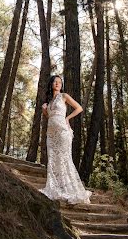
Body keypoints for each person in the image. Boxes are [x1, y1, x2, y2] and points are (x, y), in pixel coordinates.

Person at [39, 75, 91, 204]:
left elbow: (79, 108)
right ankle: (55, 187)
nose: (57, 84)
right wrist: (44, 110)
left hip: (63, 132)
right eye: (55, 82)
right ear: (51, 84)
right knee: (53, 159)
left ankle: (70, 188)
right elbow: (49, 117)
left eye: (60, 82)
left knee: (64, 158)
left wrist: (67, 118)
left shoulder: (64, 96)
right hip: (51, 134)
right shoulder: (49, 102)